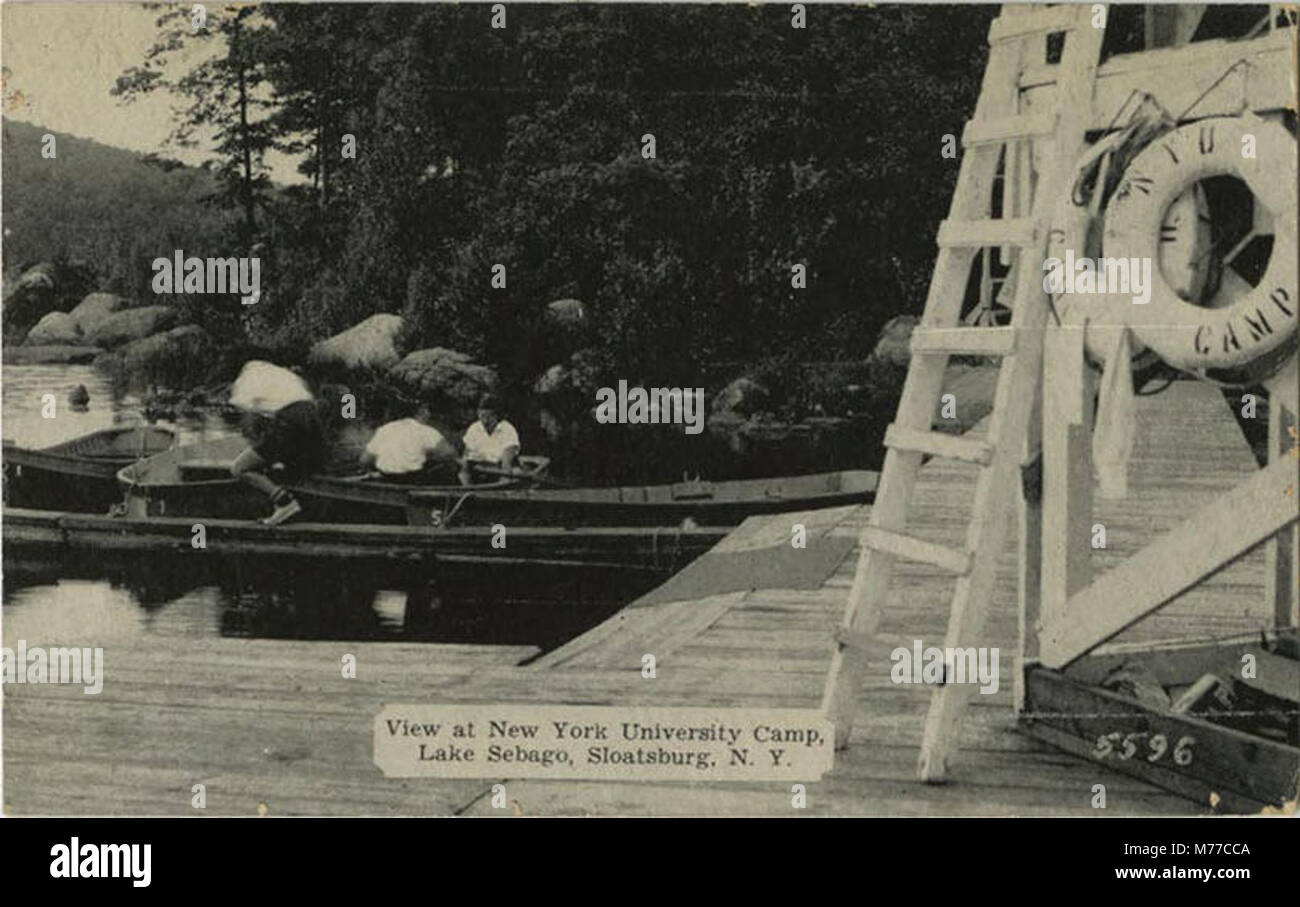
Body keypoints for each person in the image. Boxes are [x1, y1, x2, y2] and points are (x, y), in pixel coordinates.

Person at [228, 360, 324, 525]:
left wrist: (255, 454)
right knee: (289, 469)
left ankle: (285, 503)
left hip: (289, 420)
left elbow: (249, 423)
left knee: (240, 469)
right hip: (313, 417)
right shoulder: (281, 372)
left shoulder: (246, 380)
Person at [361, 403, 459, 483]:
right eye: (427, 410)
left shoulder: (384, 429)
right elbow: (450, 453)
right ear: (421, 411)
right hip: (411, 479)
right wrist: (431, 455)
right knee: (451, 465)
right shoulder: (425, 431)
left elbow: (364, 460)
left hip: (386, 478)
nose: (429, 414)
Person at [460, 393, 520, 485]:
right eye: (482, 416)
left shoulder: (507, 429)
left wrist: (502, 483)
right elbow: (467, 455)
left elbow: (507, 461)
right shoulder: (474, 428)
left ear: (496, 415)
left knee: (516, 472)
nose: (485, 421)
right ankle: (469, 492)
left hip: (500, 470)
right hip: (480, 469)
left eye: (489, 416)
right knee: (463, 468)